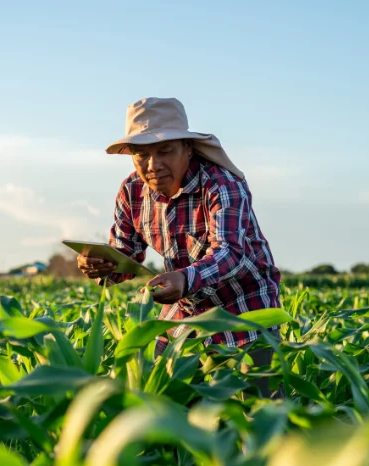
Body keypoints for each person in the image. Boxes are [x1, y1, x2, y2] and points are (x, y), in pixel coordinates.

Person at [78, 97, 282, 395]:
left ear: (188, 148)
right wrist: (102, 265)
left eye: (164, 151)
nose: (153, 165)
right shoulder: (132, 191)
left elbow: (230, 252)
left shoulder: (221, 184)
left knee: (259, 407)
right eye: (141, 154)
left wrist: (185, 279)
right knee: (163, 397)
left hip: (244, 304)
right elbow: (125, 254)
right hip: (184, 306)